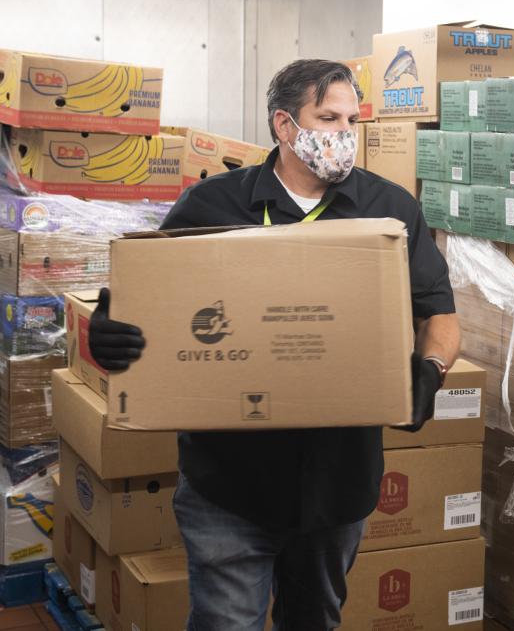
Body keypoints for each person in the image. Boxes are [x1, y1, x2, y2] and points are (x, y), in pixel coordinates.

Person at [86, 59, 460, 630]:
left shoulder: (390, 210)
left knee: (314, 622)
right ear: (285, 126)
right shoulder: (211, 206)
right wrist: (111, 335)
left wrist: (429, 370)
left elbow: (440, 314)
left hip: (339, 483)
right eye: (327, 117)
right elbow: (142, 302)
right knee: (225, 623)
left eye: (351, 120)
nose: (343, 134)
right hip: (229, 486)